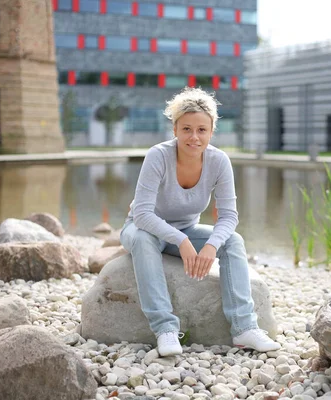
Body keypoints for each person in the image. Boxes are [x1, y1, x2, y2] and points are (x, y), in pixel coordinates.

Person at [120, 87, 280, 357]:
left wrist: (211, 245)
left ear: (211, 131)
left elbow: (229, 216)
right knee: (144, 240)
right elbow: (143, 214)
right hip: (143, 228)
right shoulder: (158, 156)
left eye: (202, 130)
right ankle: (165, 329)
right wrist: (181, 241)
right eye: (186, 129)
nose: (194, 137)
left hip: (187, 228)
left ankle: (244, 328)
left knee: (233, 241)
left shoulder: (219, 161)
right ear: (175, 129)